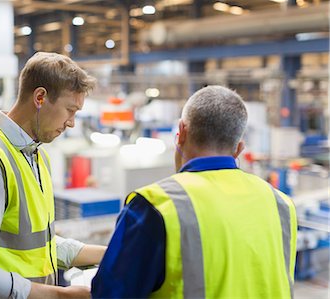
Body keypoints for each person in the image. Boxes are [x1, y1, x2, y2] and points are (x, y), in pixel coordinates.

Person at [91, 85, 297, 298]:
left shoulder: (155, 206)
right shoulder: (281, 204)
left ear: (181, 134)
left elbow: (110, 292)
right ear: (238, 149)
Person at [0, 52, 106, 299]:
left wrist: (112, 253)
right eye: (70, 110)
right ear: (40, 97)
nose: (71, 122)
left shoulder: (36, 156)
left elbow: (40, 247)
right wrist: (62, 296)